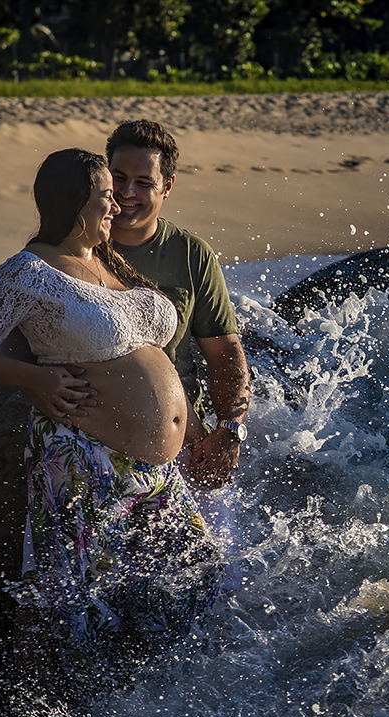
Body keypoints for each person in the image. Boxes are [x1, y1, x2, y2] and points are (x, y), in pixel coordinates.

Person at [0, 148, 225, 687]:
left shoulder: (108, 262)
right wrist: (36, 380)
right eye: (105, 192)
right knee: (73, 596)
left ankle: (161, 702)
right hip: (81, 455)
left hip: (154, 470)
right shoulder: (28, 270)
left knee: (199, 574)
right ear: (76, 201)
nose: (117, 202)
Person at [104, 119, 250, 490]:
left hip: (186, 447)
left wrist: (229, 433)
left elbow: (225, 355)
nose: (127, 192)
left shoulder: (190, 254)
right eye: (118, 178)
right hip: (98, 445)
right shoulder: (80, 247)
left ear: (167, 186)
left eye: (144, 183)